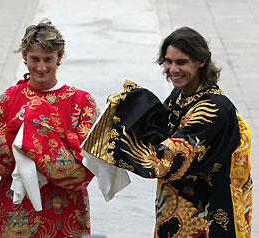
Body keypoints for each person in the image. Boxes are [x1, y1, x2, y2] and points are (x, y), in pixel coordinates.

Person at [82, 27, 252, 237]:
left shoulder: (213, 109)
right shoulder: (180, 95)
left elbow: (166, 160)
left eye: (181, 62)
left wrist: (117, 137)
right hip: (175, 210)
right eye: (168, 61)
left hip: (208, 218)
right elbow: (158, 130)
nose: (173, 69)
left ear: (201, 61)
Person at [0, 19, 100, 237]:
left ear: (60, 57)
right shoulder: (6, 100)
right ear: (24, 57)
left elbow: (85, 167)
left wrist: (28, 138)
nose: (41, 67)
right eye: (34, 59)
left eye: (49, 59)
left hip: (66, 209)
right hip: (17, 209)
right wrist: (56, 143)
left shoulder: (82, 102)